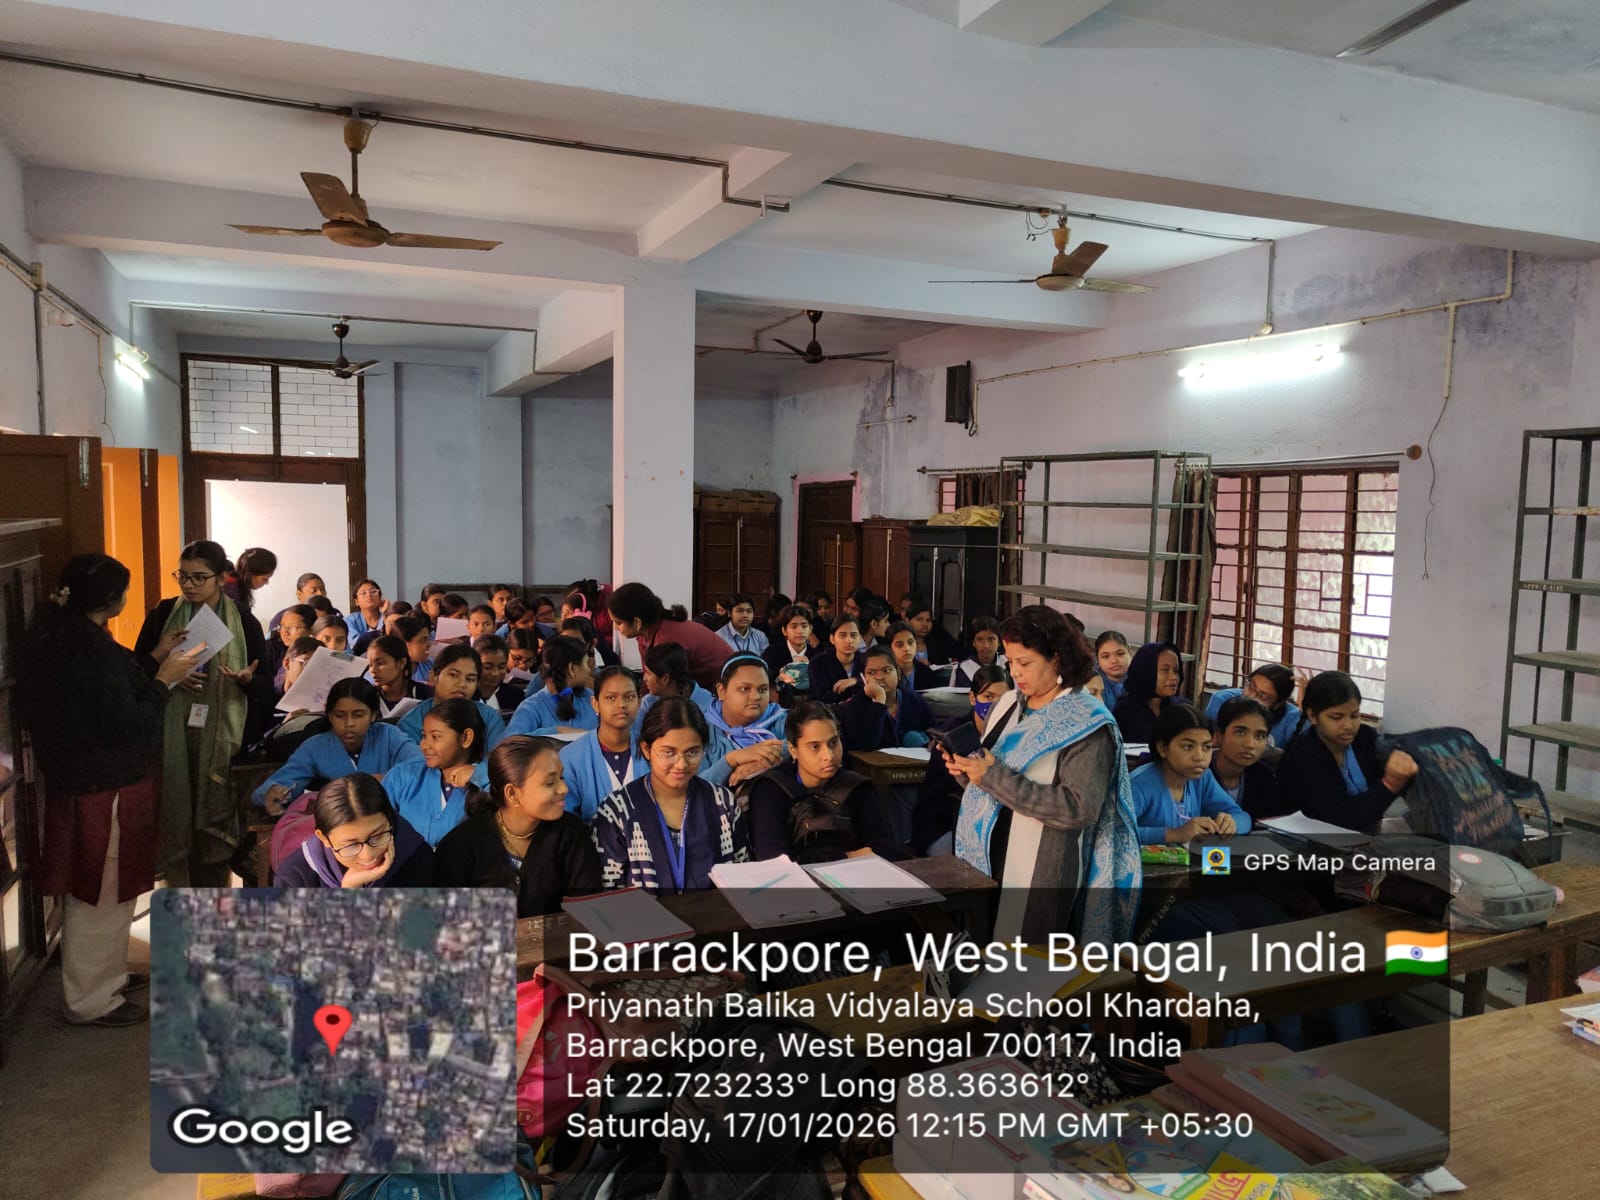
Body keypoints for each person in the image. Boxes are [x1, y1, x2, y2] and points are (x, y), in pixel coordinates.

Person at [18, 554, 206, 1026]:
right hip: (102, 784)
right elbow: (128, 723)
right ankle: (91, 999)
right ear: (111, 599)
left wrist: (156, 657)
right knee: (99, 891)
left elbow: (113, 694)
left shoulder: (67, 636)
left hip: (86, 779)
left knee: (104, 889)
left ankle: (106, 977)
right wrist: (164, 680)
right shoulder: (89, 650)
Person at [945, 605, 1141, 943]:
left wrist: (991, 777)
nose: (1015, 673)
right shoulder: (1009, 704)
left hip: (1041, 867)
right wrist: (967, 772)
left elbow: (1078, 808)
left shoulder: (1086, 722)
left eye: (1025, 663)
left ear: (1056, 659)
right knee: (982, 948)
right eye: (1010, 662)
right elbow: (993, 773)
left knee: (1025, 959)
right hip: (987, 855)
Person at [134, 539, 269, 886]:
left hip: (222, 736)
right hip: (172, 733)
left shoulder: (242, 620)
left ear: (221, 578)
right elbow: (137, 672)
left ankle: (214, 893)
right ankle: (178, 894)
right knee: (176, 811)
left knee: (214, 830)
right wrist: (168, 675)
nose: (189, 585)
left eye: (198, 578)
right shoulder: (164, 614)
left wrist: (247, 679)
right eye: (182, 576)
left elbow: (266, 682)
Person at [592, 699, 749, 893]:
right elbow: (609, 893)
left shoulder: (723, 803)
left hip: (717, 912)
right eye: (669, 752)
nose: (681, 764)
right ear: (646, 749)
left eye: (692, 752)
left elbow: (743, 877)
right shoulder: (616, 812)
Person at [433, 736, 602, 916]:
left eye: (561, 777)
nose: (564, 789)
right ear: (512, 793)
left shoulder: (572, 833)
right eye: (550, 783)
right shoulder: (459, 847)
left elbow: (588, 910)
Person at [746, 702, 898, 862]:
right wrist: (847, 856)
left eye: (833, 743)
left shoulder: (856, 787)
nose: (829, 756)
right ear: (793, 750)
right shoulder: (771, 789)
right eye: (814, 747)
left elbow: (884, 848)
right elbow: (774, 859)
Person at [252, 679, 421, 813]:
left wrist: (388, 780)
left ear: (373, 715)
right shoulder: (315, 747)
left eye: (358, 715)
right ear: (329, 716)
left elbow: (419, 767)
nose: (349, 723)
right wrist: (272, 792)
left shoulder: (389, 736)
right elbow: (281, 782)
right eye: (340, 716)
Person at [1278, 671, 1417, 832]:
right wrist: (1390, 785)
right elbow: (1341, 818)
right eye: (1336, 717)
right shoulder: (1304, 756)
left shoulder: (1365, 737)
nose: (1349, 726)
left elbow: (1405, 777)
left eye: (1354, 715)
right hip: (1312, 840)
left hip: (1365, 837)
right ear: (1313, 716)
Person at [911, 665, 1010, 857]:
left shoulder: (1012, 732)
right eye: (988, 697)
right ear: (973, 698)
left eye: (1003, 698)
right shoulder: (955, 734)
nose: (996, 705)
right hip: (944, 824)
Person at [274, 774, 435, 888]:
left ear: (390, 820)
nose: (368, 855)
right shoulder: (294, 877)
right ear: (324, 838)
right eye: (351, 845)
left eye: (378, 836)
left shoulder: (416, 857)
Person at [1130, 704, 1252, 846]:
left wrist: (1232, 823)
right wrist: (1174, 834)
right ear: (1163, 748)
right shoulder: (1139, 785)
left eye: (1206, 747)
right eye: (1188, 747)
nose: (1199, 757)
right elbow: (1114, 834)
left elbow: (1243, 818)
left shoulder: (1202, 778)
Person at [382, 698, 487, 846]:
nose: (424, 745)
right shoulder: (402, 775)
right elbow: (376, 825)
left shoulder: (491, 779)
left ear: (466, 738)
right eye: (424, 736)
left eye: (435, 737)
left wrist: (480, 775)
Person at [608, 581, 733, 691]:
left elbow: (668, 689)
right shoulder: (644, 635)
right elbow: (649, 679)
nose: (615, 628)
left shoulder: (666, 642)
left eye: (618, 623)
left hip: (724, 688)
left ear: (637, 623)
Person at [559, 666, 646, 821]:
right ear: (595, 703)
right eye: (611, 698)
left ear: (639, 702)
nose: (621, 704)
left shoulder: (651, 750)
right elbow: (566, 819)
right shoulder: (571, 758)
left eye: (629, 697)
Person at [396, 644, 507, 755]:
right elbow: (414, 763)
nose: (462, 684)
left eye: (470, 679)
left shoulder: (488, 717)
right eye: (453, 675)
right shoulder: (411, 723)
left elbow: (497, 760)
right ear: (433, 677)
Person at [703, 654, 788, 788]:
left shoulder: (782, 719)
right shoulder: (701, 731)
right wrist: (731, 760)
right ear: (722, 691)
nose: (755, 696)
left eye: (762, 689)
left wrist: (763, 761)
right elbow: (691, 788)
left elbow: (809, 742)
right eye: (745, 689)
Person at [837, 645, 933, 752]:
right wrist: (879, 700)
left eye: (886, 671)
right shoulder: (856, 706)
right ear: (864, 677)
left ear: (898, 673)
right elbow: (868, 745)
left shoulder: (914, 699)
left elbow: (933, 730)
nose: (879, 677)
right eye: (871, 672)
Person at [1210, 696, 1290, 822]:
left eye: (1260, 736)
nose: (1250, 744)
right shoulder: (1198, 771)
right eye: (1240, 732)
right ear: (1219, 735)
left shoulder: (1264, 776)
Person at [506, 636, 598, 736]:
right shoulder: (531, 707)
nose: (589, 669)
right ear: (572, 668)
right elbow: (509, 741)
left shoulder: (590, 698)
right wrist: (555, 732)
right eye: (586, 663)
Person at [1204, 663, 1301, 748]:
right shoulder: (1222, 699)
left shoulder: (1293, 717)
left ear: (1279, 703)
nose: (1251, 696)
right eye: (1251, 686)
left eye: (1263, 696)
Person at [1111, 640, 1184, 746]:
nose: (1174, 677)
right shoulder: (1125, 713)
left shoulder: (1181, 709)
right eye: (1165, 670)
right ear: (1146, 671)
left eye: (1176, 670)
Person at [636, 642, 716, 733]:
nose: (644, 678)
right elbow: (635, 735)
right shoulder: (648, 702)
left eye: (648, 673)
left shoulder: (709, 706)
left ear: (665, 678)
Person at [365, 633, 432, 718]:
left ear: (401, 663)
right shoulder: (368, 699)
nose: (373, 670)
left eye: (380, 663)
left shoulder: (425, 695)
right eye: (370, 665)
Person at [762, 602, 814, 699]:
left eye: (804, 626)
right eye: (794, 626)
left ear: (810, 629)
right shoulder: (772, 652)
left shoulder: (816, 655)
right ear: (784, 630)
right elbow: (764, 675)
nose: (800, 631)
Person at [808, 614, 865, 700]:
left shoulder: (867, 661)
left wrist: (856, 681)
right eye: (842, 635)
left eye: (853, 635)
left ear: (860, 638)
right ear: (832, 639)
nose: (849, 640)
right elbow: (823, 696)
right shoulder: (818, 662)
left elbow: (876, 684)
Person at [473, 633, 525, 716]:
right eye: (488, 667)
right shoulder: (465, 696)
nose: (495, 673)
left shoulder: (516, 696)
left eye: (501, 667)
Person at [886, 620, 947, 690]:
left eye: (910, 642)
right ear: (889, 648)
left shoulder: (925, 672)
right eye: (899, 645)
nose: (907, 648)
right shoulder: (885, 674)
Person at [269, 603, 317, 688]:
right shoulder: (270, 648)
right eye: (282, 626)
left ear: (310, 630)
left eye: (292, 628)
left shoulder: (316, 651)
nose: (285, 632)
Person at [952, 617, 1007, 689]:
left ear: (999, 642)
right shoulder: (964, 668)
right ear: (973, 642)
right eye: (980, 639)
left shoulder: (1008, 664)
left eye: (991, 639)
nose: (986, 645)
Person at [906, 597, 961, 666]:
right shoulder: (901, 645)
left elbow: (945, 667)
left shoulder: (937, 646)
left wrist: (930, 667)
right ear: (907, 621)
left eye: (928, 620)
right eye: (919, 619)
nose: (925, 624)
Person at [226, 547, 276, 616]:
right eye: (264, 579)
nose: (267, 583)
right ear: (249, 574)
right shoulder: (230, 590)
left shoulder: (238, 587)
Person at [393, 613, 435, 684]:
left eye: (428, 639)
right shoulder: (387, 672)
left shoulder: (432, 665)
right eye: (423, 640)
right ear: (404, 645)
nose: (429, 645)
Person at [1095, 632, 1132, 709]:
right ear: (1098, 660)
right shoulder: (1094, 683)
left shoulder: (1142, 677)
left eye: (1120, 654)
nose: (1114, 661)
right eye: (1106, 656)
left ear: (1130, 654)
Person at [346, 578, 387, 644]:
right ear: (356, 601)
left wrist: (385, 613)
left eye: (373, 592)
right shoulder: (350, 620)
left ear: (380, 597)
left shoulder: (388, 618)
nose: (369, 595)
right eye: (363, 593)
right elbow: (356, 644)